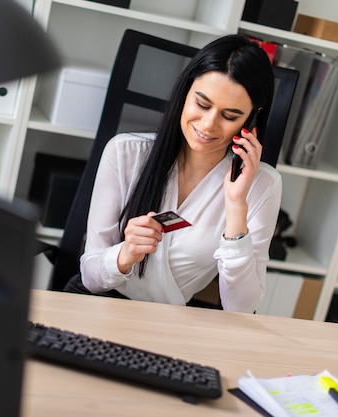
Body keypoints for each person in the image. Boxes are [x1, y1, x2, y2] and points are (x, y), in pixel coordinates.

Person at [63, 34, 282, 313]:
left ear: (251, 118)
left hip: (165, 320)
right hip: (95, 304)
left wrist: (237, 206)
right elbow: (91, 278)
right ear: (185, 92)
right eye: (202, 104)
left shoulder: (263, 185)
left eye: (229, 116)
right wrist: (126, 253)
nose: (208, 124)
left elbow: (240, 308)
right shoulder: (125, 153)